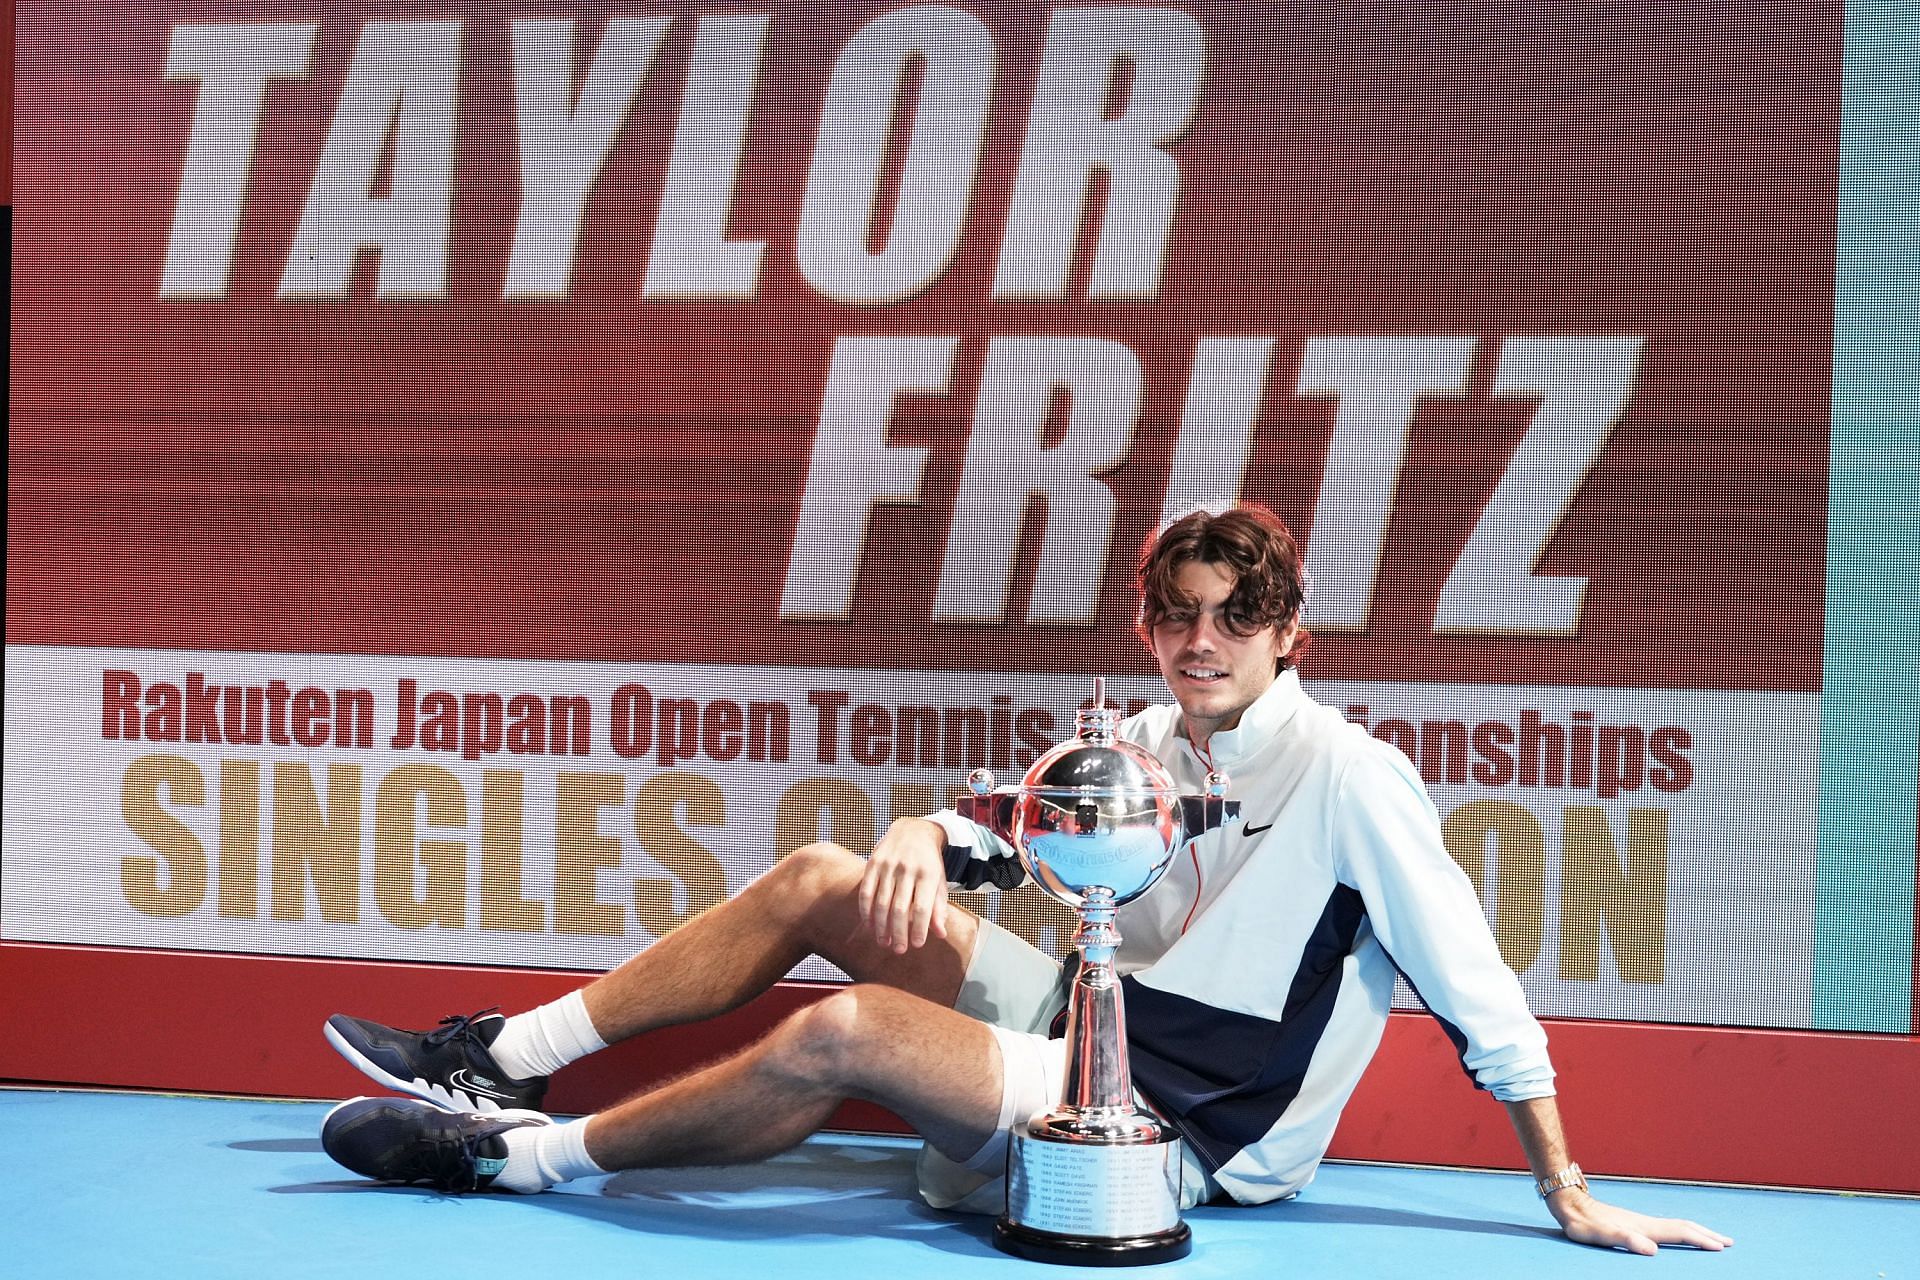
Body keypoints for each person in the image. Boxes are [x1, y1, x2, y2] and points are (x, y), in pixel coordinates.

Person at [320, 504, 1731, 1255]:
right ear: (1147, 627)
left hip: (1192, 1129)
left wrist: (1569, 1188)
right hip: (1083, 1018)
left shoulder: (1356, 779)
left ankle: (509, 1166)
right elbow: (1016, 830)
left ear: (1292, 635)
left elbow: (1474, 983)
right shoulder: (1143, 739)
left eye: (1238, 618)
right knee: (828, 869)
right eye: (1179, 617)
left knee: (844, 1033)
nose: (1204, 640)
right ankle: (503, 1060)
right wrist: (925, 837)